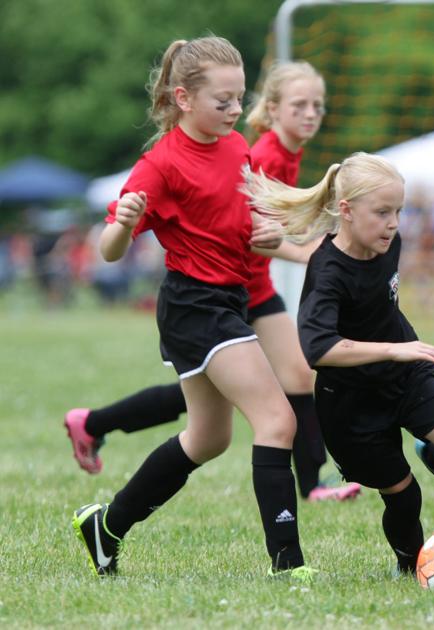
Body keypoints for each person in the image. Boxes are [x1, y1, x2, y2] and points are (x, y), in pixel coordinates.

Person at [70, 36, 315, 580]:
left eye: (239, 98)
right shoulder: (159, 166)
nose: (235, 111)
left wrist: (290, 240)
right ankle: (288, 566)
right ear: (183, 98)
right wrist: (125, 222)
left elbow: (248, 232)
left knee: (209, 437)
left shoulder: (237, 149)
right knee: (277, 419)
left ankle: (107, 525)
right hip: (195, 307)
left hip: (228, 299)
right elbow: (108, 253)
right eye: (223, 101)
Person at [63, 61, 360, 502]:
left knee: (228, 402)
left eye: (318, 104)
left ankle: (94, 424)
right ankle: (311, 486)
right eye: (300, 104)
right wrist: (303, 252)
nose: (311, 113)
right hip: (227, 291)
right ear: (273, 110)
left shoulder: (262, 148)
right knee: (256, 393)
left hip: (246, 288)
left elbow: (260, 224)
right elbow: (239, 233)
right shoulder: (260, 154)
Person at [243, 152, 434, 576]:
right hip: (351, 402)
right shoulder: (327, 272)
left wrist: (399, 353)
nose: (394, 223)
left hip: (406, 375)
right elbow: (317, 349)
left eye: (398, 210)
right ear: (347, 210)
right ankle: (411, 567)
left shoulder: (387, 240)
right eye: (382, 212)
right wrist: (392, 348)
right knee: (403, 495)